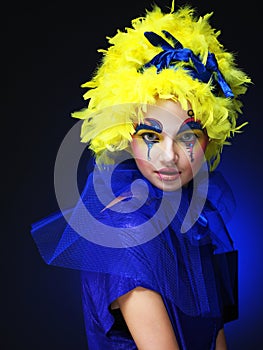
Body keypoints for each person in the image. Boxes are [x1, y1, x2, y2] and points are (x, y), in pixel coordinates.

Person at [31, 2, 251, 349]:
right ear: (125, 137)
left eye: (188, 135)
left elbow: (215, 337)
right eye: (151, 136)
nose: (169, 156)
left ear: (209, 138)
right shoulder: (126, 227)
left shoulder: (193, 220)